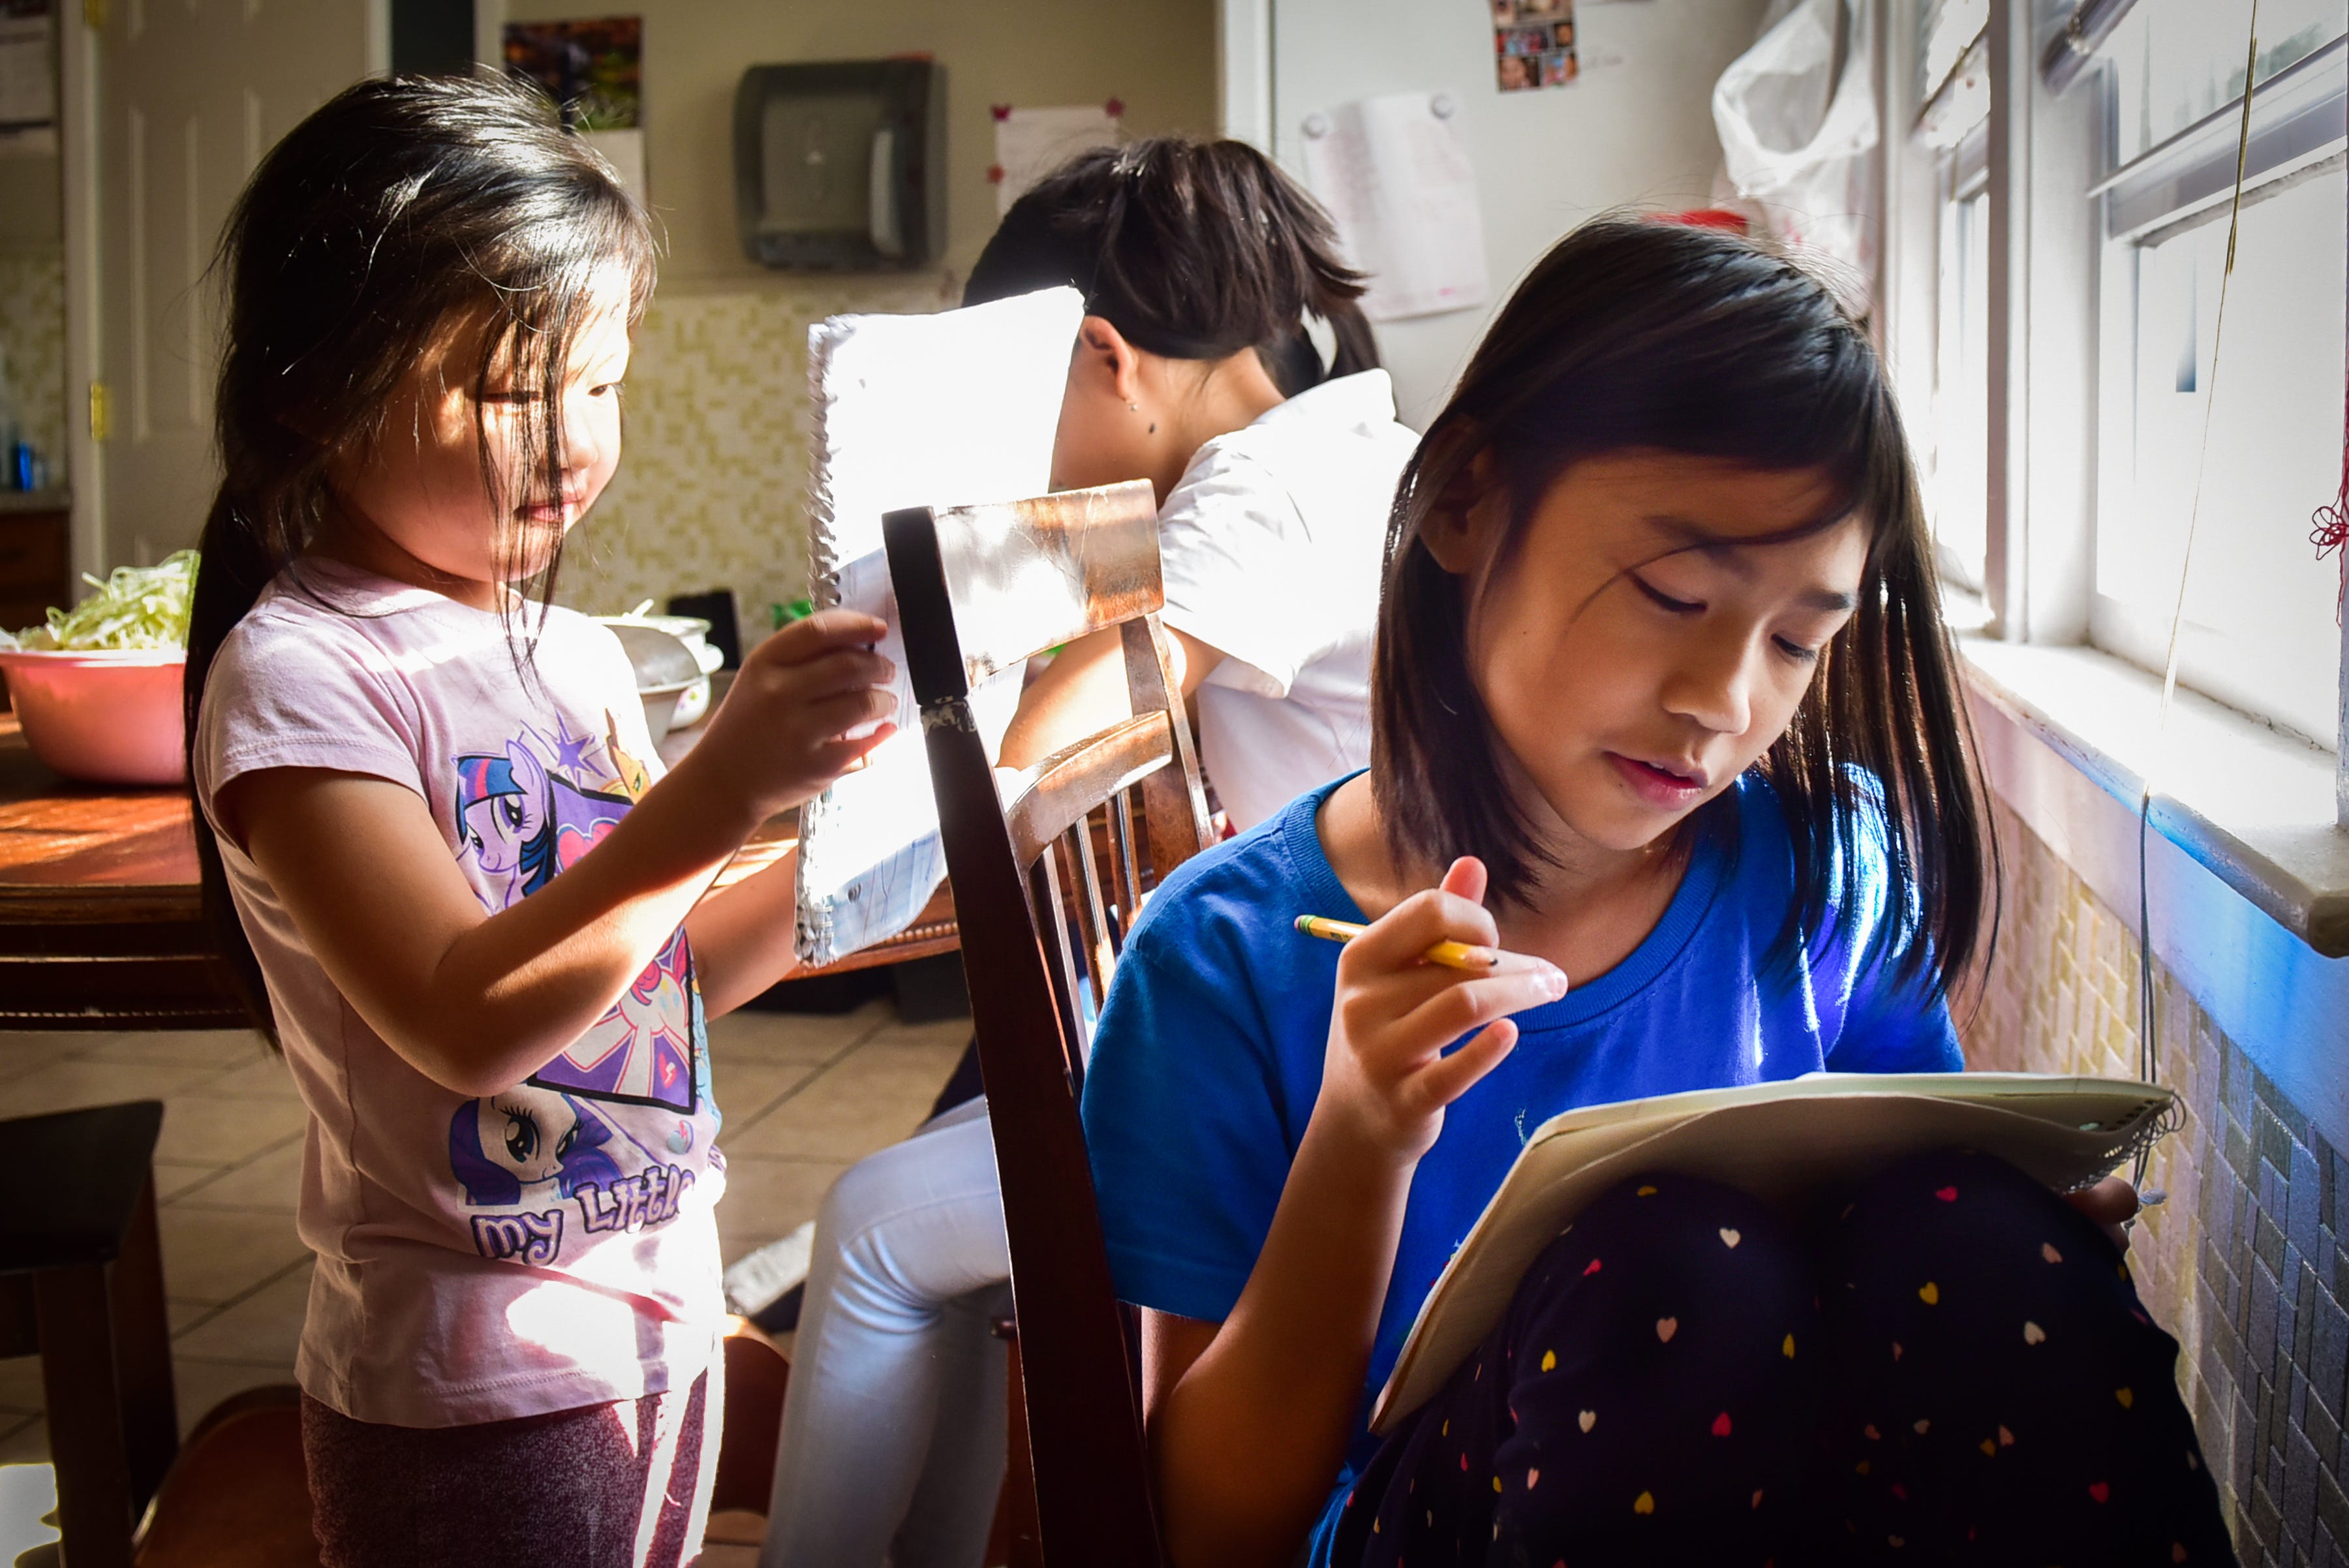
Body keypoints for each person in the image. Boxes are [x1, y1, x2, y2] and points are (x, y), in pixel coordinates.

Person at [1079, 218, 2237, 1567]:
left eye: (1799, 639)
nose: (1724, 703)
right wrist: (1360, 1134)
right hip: (1442, 1524)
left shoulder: (1824, 873)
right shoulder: (1224, 961)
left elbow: (1921, 1231)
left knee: (1972, 1235)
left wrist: (2027, 1227)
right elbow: (1215, 1534)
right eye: (1674, 593)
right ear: (1463, 501)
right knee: (1676, 1267)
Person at [183, 76, 897, 1568]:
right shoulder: (302, 676)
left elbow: (661, 978)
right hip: (467, 1383)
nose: (575, 439)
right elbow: (471, 1016)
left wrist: (927, 815)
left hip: (655, 1317)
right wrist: (723, 790)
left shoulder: (572, 655)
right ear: (319, 387)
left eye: (601, 383)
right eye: (516, 390)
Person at [758, 137, 1416, 1568]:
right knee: (961, 1205)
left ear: (1107, 356)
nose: (1027, 454)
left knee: (871, 1228)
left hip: (1322, 1085)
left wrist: (922, 799)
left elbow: (1067, 734)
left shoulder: (1255, 493)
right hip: (1340, 1041)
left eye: (1026, 399)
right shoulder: (1353, 446)